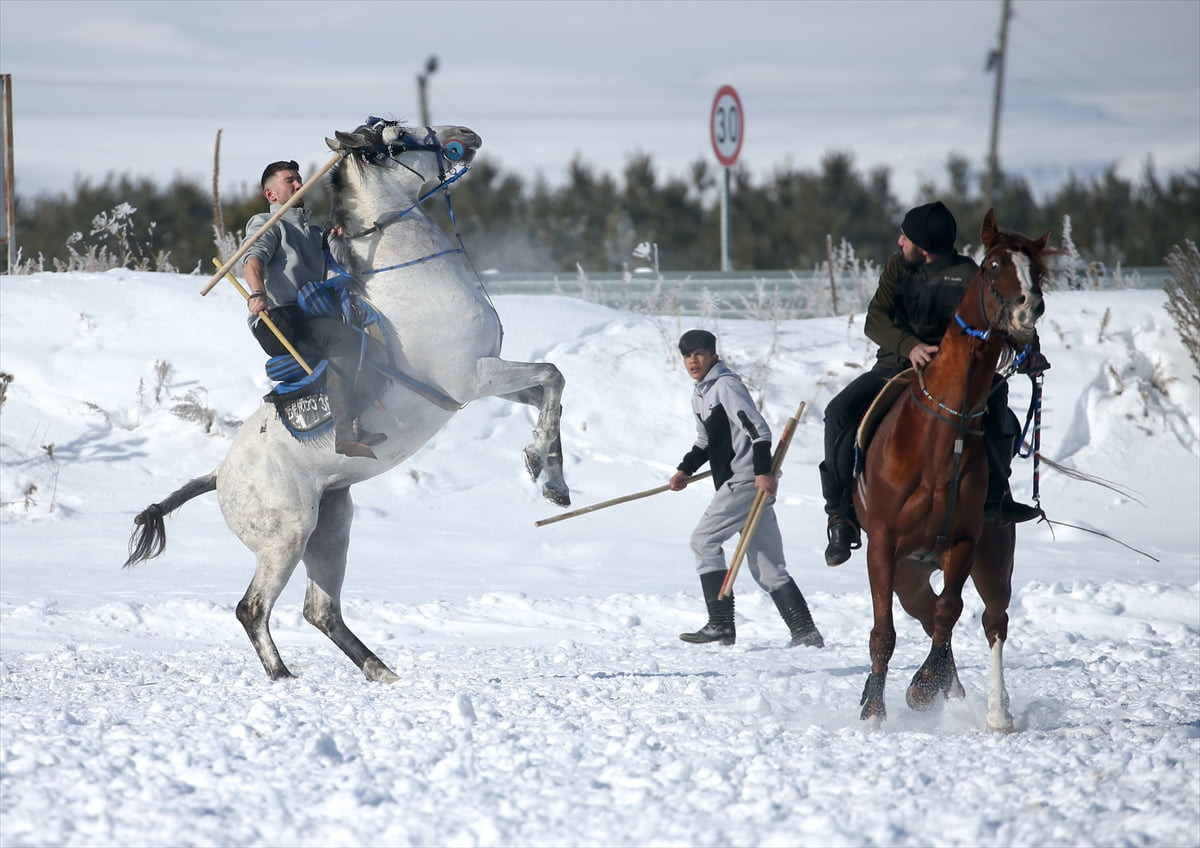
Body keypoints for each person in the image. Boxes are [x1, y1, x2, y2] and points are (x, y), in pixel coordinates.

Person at [820, 201, 1046, 567]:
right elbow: (875, 319)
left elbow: (1005, 315)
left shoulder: (970, 274)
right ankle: (841, 515)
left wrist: (1029, 349)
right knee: (837, 414)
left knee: (1000, 411)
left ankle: (996, 495)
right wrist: (910, 347)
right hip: (896, 367)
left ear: (923, 247)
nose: (899, 242)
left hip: (958, 373)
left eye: (904, 237)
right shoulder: (898, 268)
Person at [669, 330, 824, 648]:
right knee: (768, 568)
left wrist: (763, 473)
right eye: (687, 356)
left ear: (713, 355)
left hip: (744, 481)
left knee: (703, 541)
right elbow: (704, 441)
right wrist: (684, 470)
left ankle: (721, 624)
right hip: (743, 481)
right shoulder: (700, 393)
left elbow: (759, 429)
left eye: (698, 353)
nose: (693, 361)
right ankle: (806, 633)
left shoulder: (726, 385)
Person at [242, 160, 384, 460]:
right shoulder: (267, 224)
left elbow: (345, 262)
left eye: (300, 179)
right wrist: (257, 292)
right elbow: (252, 260)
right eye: (289, 180)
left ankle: (356, 418)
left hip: (312, 316)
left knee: (370, 346)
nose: (298, 185)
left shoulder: (315, 232)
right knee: (346, 340)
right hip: (279, 319)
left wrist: (340, 239)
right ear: (270, 195)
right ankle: (346, 433)